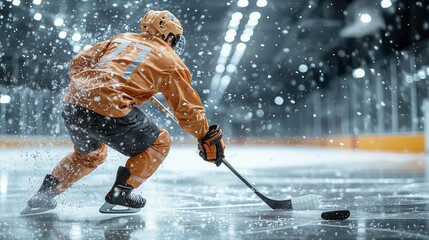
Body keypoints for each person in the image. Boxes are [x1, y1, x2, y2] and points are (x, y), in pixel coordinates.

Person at [22, 10, 225, 214]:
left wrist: (104, 80)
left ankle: (45, 193)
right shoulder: (170, 61)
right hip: (108, 106)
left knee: (89, 155)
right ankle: (122, 192)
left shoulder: (122, 39)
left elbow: (77, 64)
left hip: (74, 103)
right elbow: (187, 108)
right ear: (170, 36)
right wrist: (204, 135)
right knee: (160, 142)